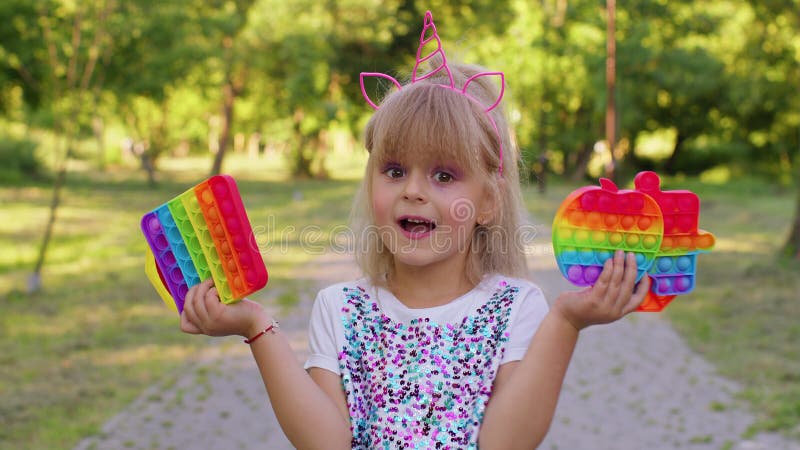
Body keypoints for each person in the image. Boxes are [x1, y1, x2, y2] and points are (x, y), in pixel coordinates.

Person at [179, 11, 649, 450]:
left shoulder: (515, 307)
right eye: (395, 170)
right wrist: (256, 326)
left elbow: (506, 442)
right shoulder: (341, 308)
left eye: (444, 176)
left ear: (488, 202)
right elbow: (327, 442)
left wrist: (566, 323)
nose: (414, 191)